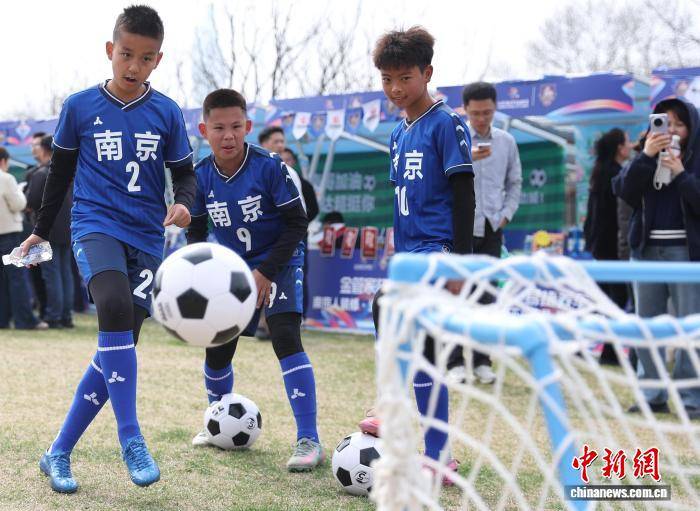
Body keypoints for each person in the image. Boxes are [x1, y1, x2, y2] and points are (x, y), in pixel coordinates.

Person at [20, 5, 196, 492]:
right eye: (126, 54)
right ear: (109, 50)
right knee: (113, 308)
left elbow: (185, 174)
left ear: (158, 59)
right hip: (95, 225)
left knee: (117, 345)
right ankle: (131, 438)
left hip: (147, 237)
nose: (134, 66)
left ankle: (57, 453)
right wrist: (40, 229)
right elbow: (60, 174)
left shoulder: (167, 112)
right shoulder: (79, 106)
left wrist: (184, 203)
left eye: (145, 58)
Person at [359, 26, 475, 484]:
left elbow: (463, 195)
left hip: (438, 250)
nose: (395, 88)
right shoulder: (396, 134)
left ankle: (392, 409)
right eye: (387, 79)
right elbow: (403, 197)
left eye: (404, 78)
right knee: (424, 348)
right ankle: (439, 456)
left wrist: (461, 263)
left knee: (385, 307)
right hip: (409, 252)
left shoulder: (447, 123)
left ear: (426, 73)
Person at [186, 89, 324, 471]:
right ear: (204, 131)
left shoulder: (270, 167)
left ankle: (309, 439)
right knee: (218, 345)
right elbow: (196, 230)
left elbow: (297, 222)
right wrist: (202, 272)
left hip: (280, 261)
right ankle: (217, 421)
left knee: (284, 336)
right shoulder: (199, 175)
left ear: (247, 126)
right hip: (234, 268)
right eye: (219, 128)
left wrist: (265, 272)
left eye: (235, 126)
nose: (228, 135)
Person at [613, 97, 700, 420]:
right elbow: (624, 191)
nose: (671, 130)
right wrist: (646, 156)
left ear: (692, 128)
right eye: (664, 122)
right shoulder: (644, 153)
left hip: (687, 254)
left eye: (679, 124)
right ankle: (652, 395)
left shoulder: (696, 158)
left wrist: (681, 174)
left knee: (691, 327)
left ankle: (691, 397)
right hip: (646, 252)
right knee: (646, 326)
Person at [447, 81, 522, 385]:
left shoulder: (506, 141)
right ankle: (454, 362)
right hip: (459, 229)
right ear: (465, 110)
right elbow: (441, 179)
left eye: (487, 112)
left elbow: (515, 182)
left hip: (491, 227)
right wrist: (467, 157)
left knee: (486, 297)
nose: (481, 119)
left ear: (495, 109)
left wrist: (505, 215)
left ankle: (482, 361)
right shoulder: (454, 138)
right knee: (456, 297)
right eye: (476, 113)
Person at [583, 128, 632, 365]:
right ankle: (609, 352)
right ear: (619, 148)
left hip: (600, 243)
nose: (630, 146)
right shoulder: (617, 174)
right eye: (627, 142)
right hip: (613, 243)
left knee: (601, 297)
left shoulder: (600, 172)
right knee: (617, 298)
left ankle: (585, 345)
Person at [25, 135, 75, 329]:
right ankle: (66, 316)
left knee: (51, 274)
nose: (33, 148)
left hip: (47, 230)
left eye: (36, 145)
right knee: (65, 273)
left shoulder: (41, 173)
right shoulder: (68, 171)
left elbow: (31, 202)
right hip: (67, 227)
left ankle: (54, 316)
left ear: (44, 149)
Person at [0, 147, 48, 330]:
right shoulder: (6, 178)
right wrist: (20, 192)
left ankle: (3, 319)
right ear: (4, 161)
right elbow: (19, 204)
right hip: (8, 233)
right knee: (17, 278)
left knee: (2, 280)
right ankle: (24, 320)